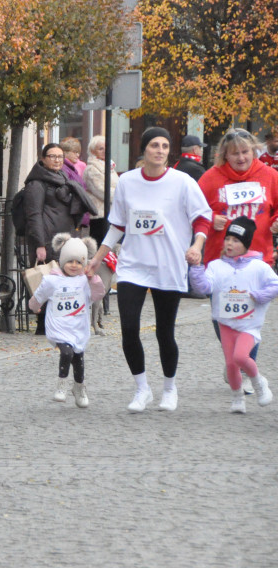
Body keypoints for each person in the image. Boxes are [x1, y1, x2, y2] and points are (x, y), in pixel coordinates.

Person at [85, 127, 213, 412]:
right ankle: (141, 388)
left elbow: (202, 218)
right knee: (129, 328)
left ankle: (169, 388)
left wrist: (197, 245)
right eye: (154, 145)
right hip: (133, 265)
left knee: (164, 332)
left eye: (165, 146)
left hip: (168, 265)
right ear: (144, 149)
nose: (160, 150)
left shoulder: (182, 182)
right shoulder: (128, 181)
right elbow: (118, 224)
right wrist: (98, 257)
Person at [197, 128, 278, 393]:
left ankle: (244, 364)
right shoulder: (210, 179)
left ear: (254, 150)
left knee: (250, 317)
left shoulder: (270, 176)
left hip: (257, 259)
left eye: (246, 152)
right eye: (235, 154)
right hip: (220, 260)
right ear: (224, 155)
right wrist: (211, 218)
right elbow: (194, 213)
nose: (241, 158)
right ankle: (234, 357)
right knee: (223, 316)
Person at [189, 217, 278, 413]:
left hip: (249, 324)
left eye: (236, 240)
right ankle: (237, 398)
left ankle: (258, 381)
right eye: (228, 238)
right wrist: (196, 268)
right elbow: (205, 287)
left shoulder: (259, 267)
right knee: (231, 365)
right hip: (226, 323)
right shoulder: (215, 266)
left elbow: (275, 285)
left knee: (240, 356)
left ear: (246, 245)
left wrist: (260, 296)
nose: (230, 243)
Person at [23, 143, 94, 334]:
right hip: (46, 239)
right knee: (46, 281)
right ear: (43, 159)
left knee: (63, 282)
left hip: (65, 239)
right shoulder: (36, 184)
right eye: (52, 156)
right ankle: (42, 325)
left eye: (60, 156)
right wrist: (39, 244)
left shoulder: (63, 178)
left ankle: (59, 322)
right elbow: (34, 215)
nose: (57, 160)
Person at [28, 234, 105, 408]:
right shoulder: (52, 280)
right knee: (67, 352)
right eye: (70, 261)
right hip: (59, 327)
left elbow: (98, 294)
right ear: (62, 261)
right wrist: (34, 307)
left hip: (78, 327)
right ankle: (61, 385)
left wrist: (94, 279)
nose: (74, 266)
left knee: (78, 357)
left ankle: (79, 387)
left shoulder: (85, 281)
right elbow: (38, 296)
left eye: (79, 262)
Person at [82, 135, 119, 247]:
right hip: (101, 215)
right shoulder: (92, 169)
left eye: (106, 147)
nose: (104, 151)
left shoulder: (109, 166)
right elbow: (102, 192)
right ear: (93, 151)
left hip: (111, 212)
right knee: (101, 247)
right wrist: (122, 195)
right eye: (100, 148)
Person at [60, 137, 89, 232]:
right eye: (74, 152)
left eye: (78, 152)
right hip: (72, 213)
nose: (77, 155)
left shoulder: (71, 168)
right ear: (65, 152)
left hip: (76, 212)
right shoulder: (64, 168)